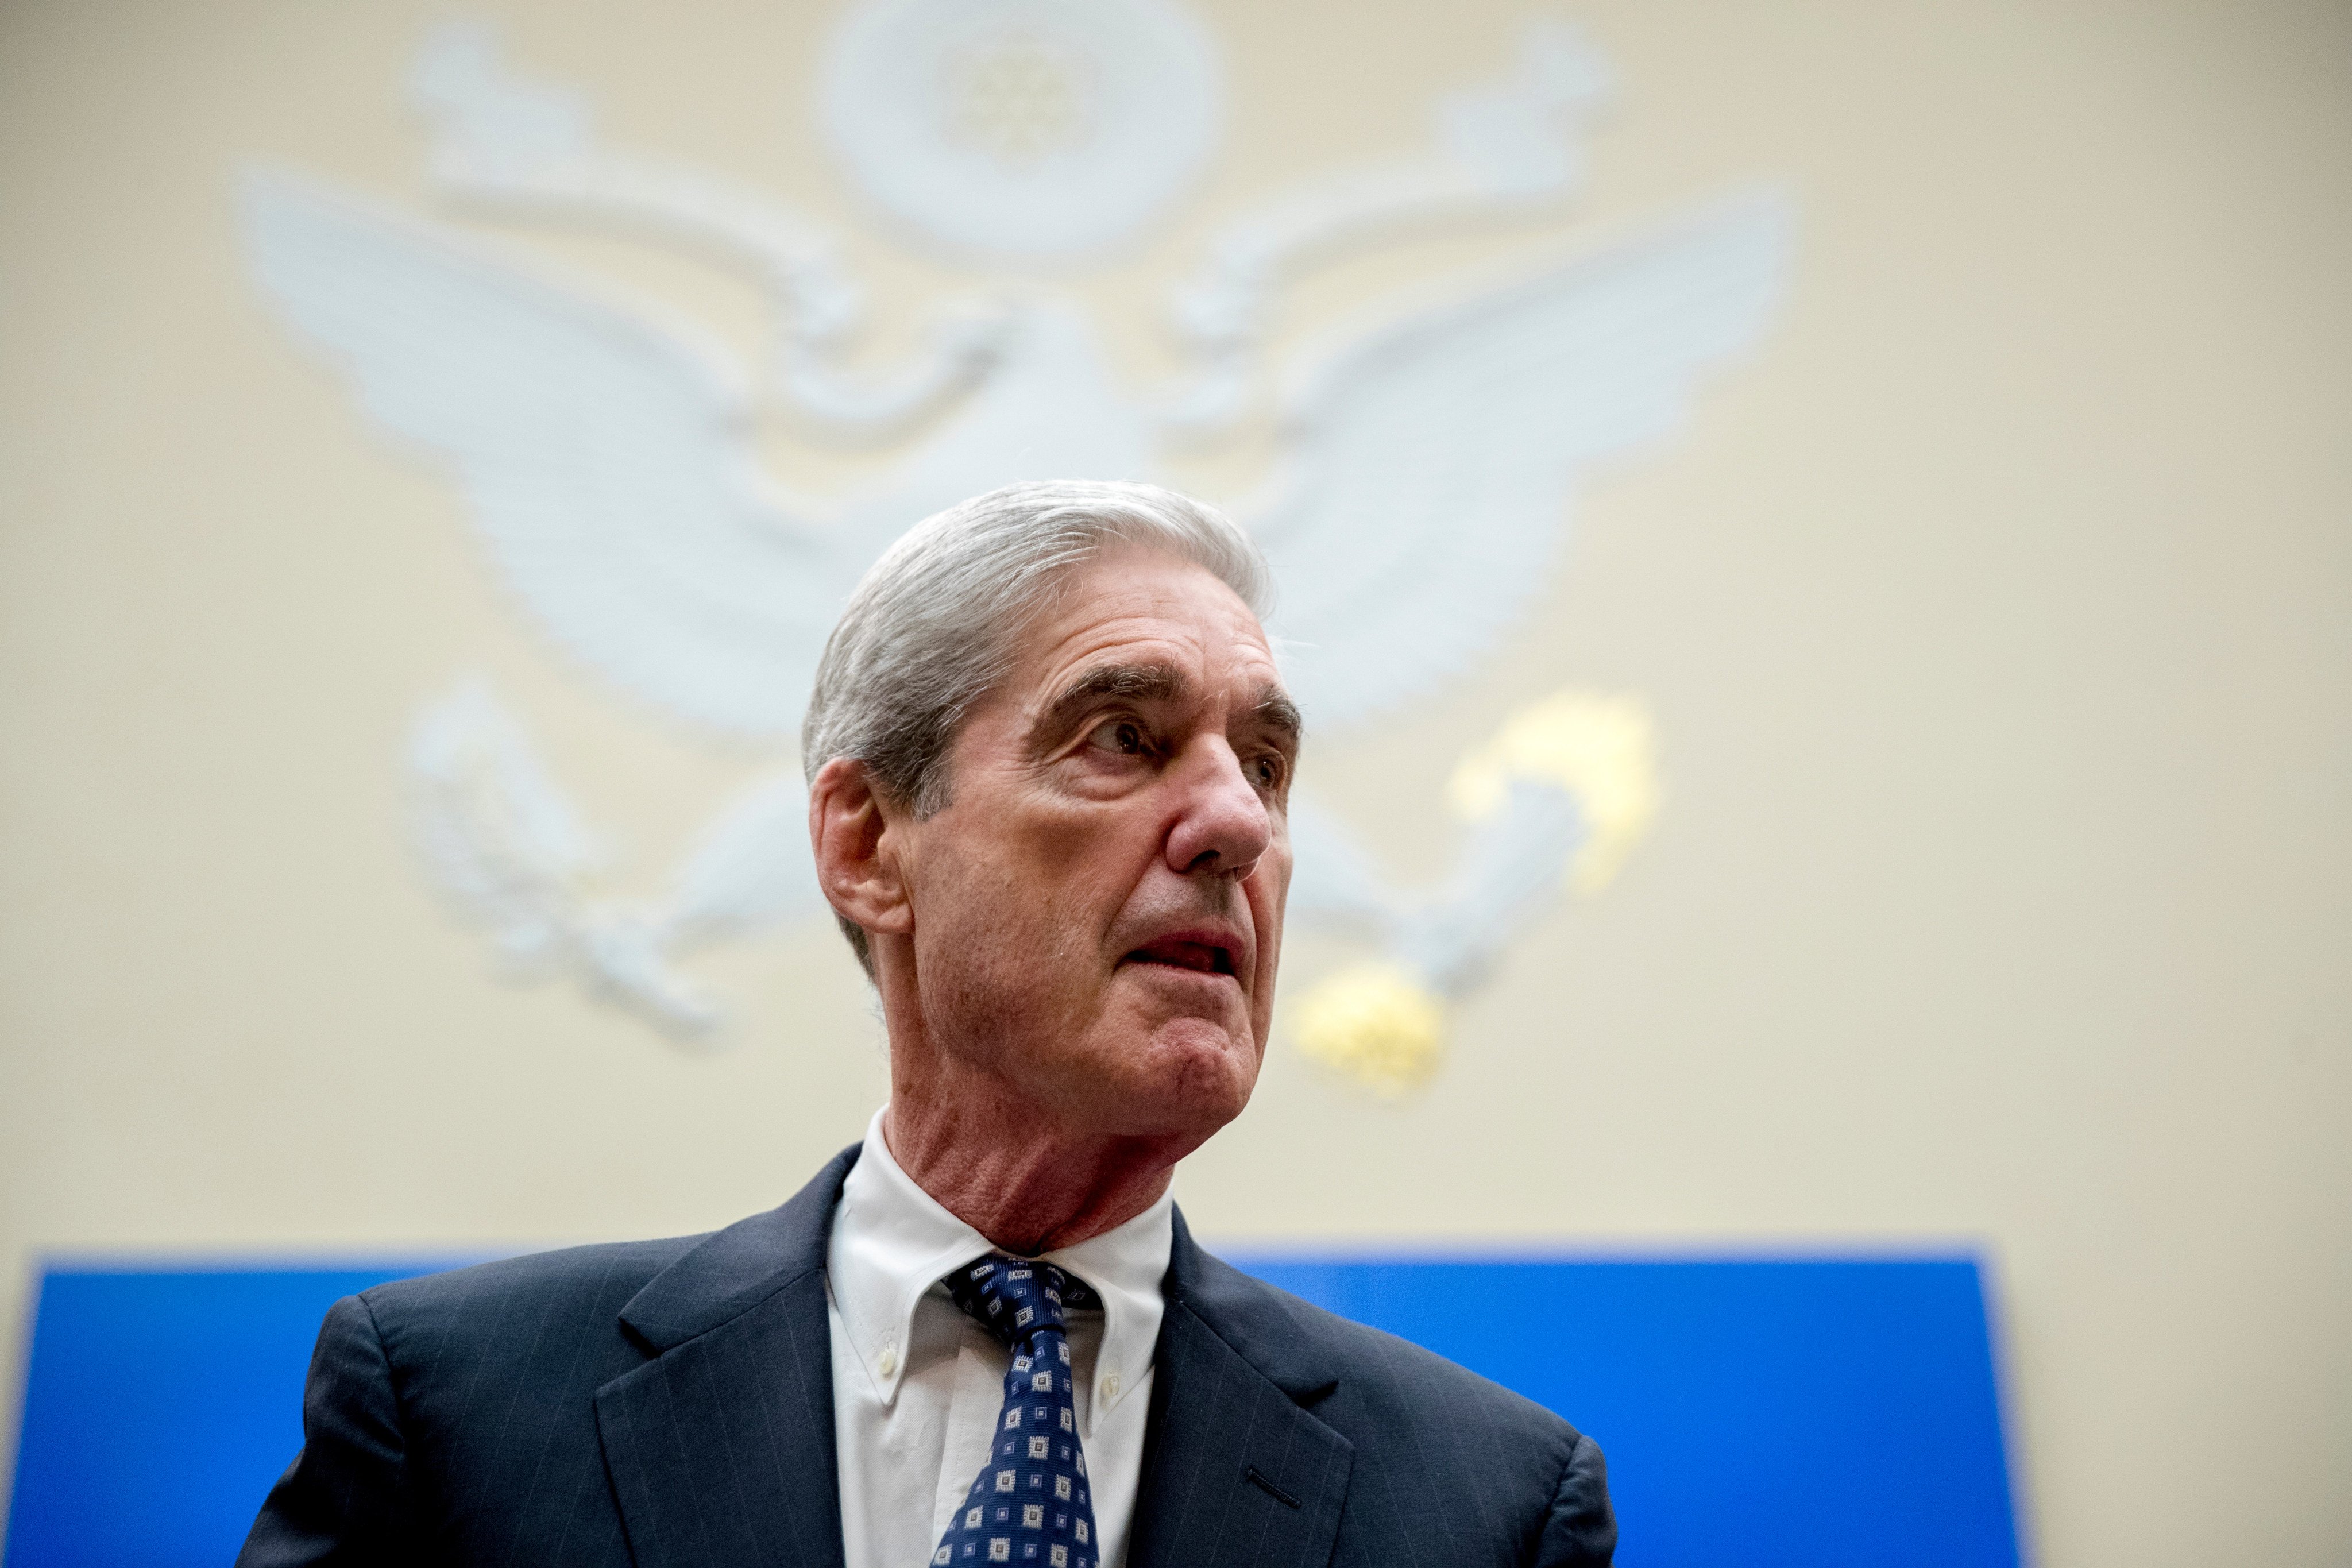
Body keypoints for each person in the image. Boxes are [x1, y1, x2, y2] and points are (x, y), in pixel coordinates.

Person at [238, 481, 1616, 1567]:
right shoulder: (457, 1415)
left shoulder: (1488, 1505)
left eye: (1263, 764)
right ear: (866, 844)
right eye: (1122, 738)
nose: (1237, 824)